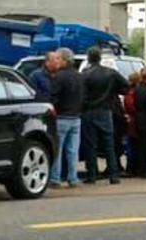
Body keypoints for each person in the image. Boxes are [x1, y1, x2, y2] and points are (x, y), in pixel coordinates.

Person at [80, 46, 129, 185]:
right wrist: (113, 91)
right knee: (109, 144)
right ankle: (114, 175)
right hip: (106, 110)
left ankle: (92, 175)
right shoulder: (111, 73)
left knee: (91, 145)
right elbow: (126, 86)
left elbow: (81, 94)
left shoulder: (85, 74)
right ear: (100, 57)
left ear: (89, 58)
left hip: (89, 111)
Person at [48, 48, 85, 188]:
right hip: (76, 117)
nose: (56, 61)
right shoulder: (79, 76)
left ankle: (55, 178)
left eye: (58, 58)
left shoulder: (59, 77)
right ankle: (72, 177)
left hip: (61, 117)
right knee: (72, 150)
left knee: (57, 150)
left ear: (64, 60)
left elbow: (53, 97)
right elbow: (83, 97)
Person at [123, 72, 141, 176]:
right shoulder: (138, 92)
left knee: (131, 146)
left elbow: (130, 106)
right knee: (136, 145)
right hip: (139, 121)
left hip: (133, 122)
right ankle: (136, 167)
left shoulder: (131, 93)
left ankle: (131, 168)